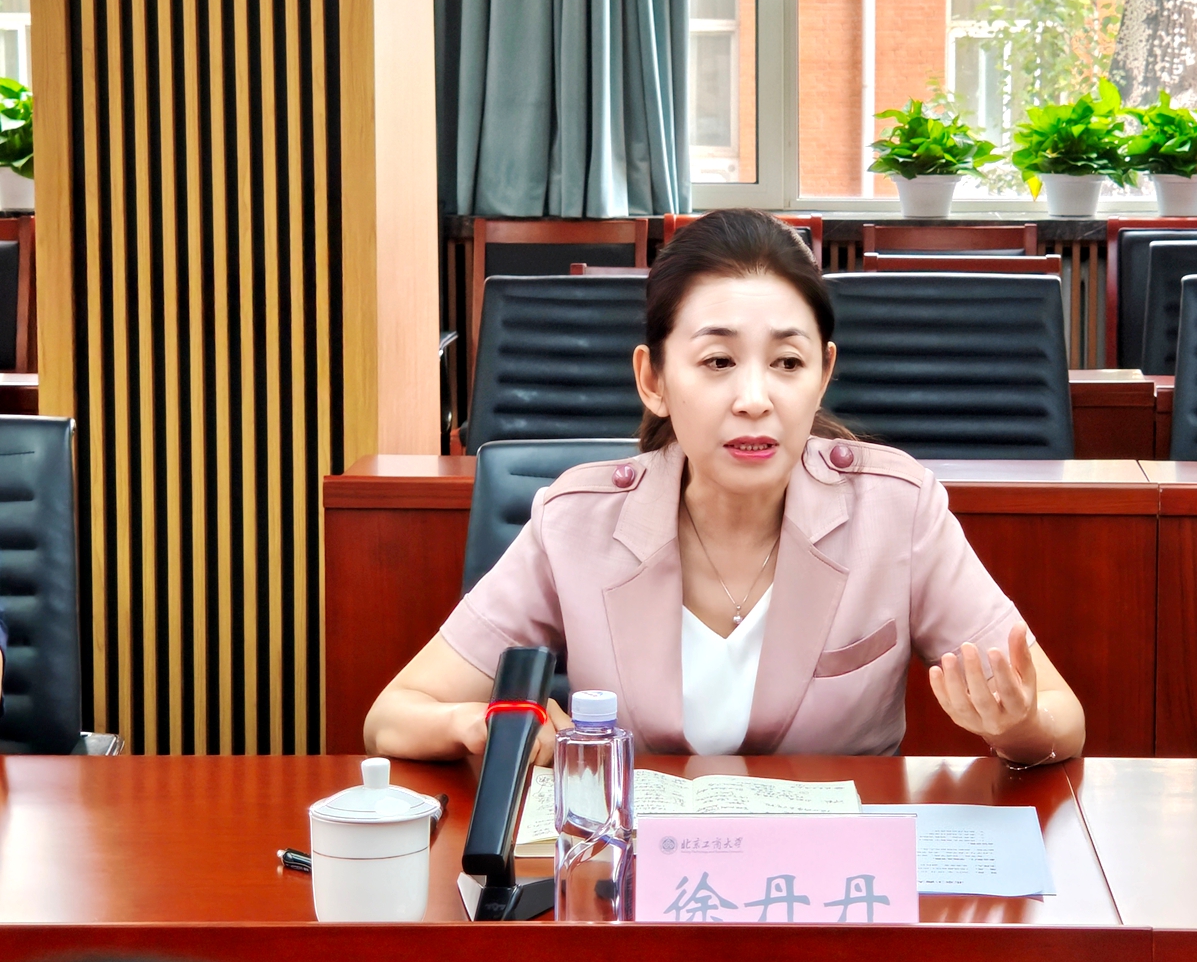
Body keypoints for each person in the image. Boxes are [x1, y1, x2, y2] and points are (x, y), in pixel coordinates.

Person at [366, 209, 1085, 765]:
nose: (754, 399)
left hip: (830, 892)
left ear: (823, 375)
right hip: (643, 888)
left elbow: (1062, 715)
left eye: (787, 363)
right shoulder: (576, 522)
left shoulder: (897, 510)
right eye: (717, 362)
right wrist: (483, 724)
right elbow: (394, 714)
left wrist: (1017, 724)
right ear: (653, 379)